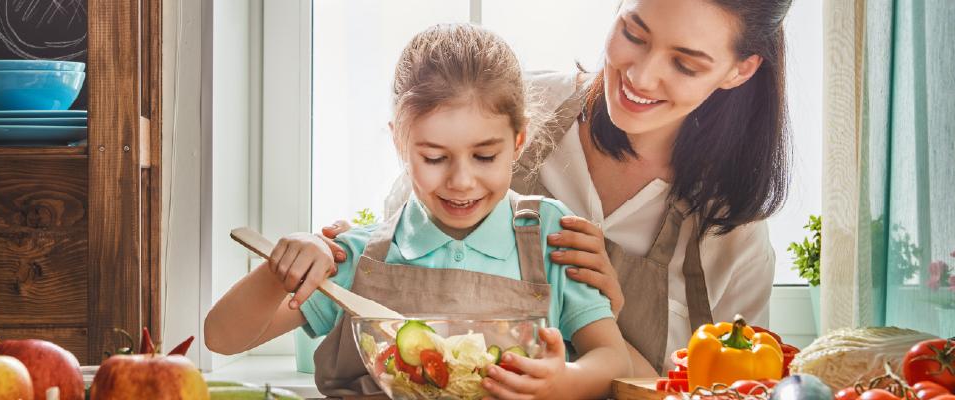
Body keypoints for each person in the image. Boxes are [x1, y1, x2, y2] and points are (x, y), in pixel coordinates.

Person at [322, 0, 793, 376]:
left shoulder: (732, 231)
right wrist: (348, 256)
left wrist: (601, 320)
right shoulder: (508, 112)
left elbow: (724, 389)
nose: (641, 75)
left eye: (685, 64)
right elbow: (399, 277)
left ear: (740, 70)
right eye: (633, 33)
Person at [204, 23, 631, 399]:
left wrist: (565, 383)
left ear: (518, 141)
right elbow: (221, 337)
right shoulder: (359, 257)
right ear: (400, 145)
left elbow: (612, 358)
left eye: (484, 156)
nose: (461, 181)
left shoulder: (547, 236)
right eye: (433, 157)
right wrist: (280, 271)